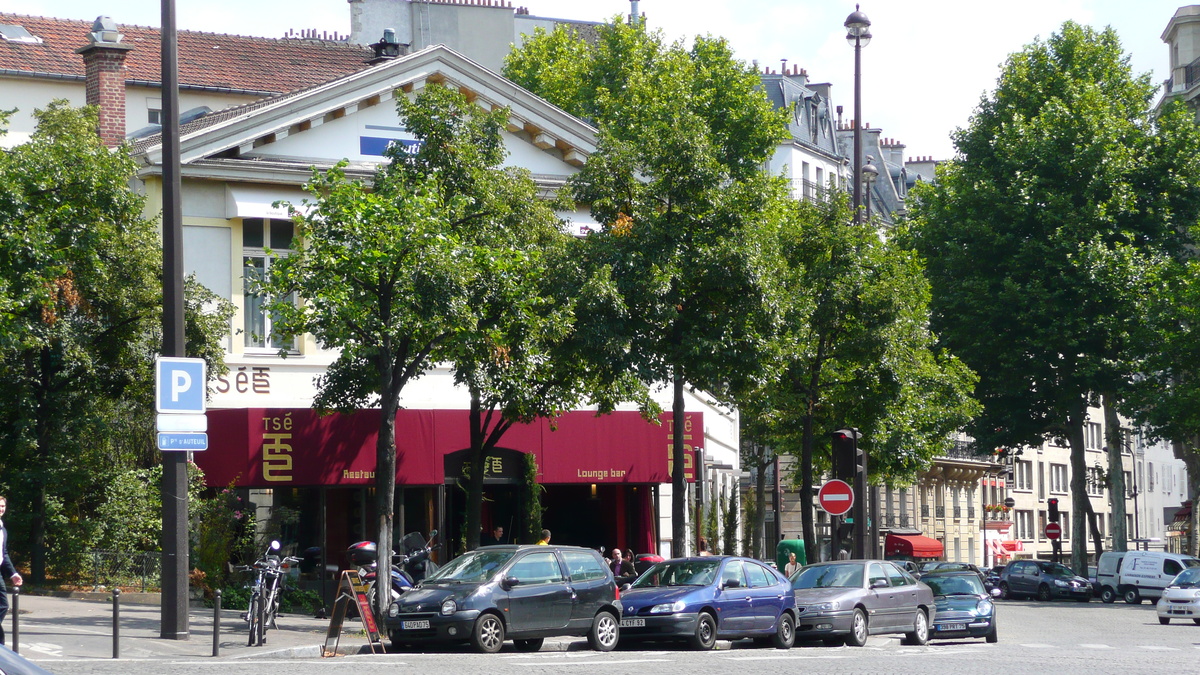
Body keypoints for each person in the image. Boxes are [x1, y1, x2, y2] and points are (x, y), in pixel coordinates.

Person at [0, 496, 23, 647]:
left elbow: (4, 553)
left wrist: (13, 574)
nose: (1, 509)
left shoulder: (2, 529)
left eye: (2, 506)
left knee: (3, 605)